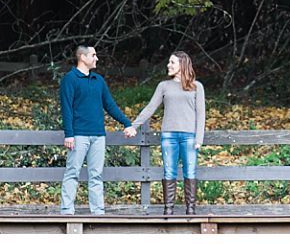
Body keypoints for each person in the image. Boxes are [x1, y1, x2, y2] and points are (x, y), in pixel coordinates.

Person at [124, 50, 205, 215]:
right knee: (169, 170)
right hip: (169, 136)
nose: (169, 65)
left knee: (190, 171)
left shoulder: (197, 86)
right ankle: (168, 209)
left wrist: (199, 138)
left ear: (182, 65)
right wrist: (134, 125)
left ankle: (191, 209)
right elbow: (151, 107)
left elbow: (201, 113)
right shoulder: (163, 86)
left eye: (172, 62)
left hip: (189, 136)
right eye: (169, 62)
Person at [59, 44, 132, 215]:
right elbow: (66, 108)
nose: (96, 58)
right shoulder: (70, 79)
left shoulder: (98, 80)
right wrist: (69, 134)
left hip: (98, 135)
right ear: (83, 57)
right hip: (78, 135)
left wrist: (126, 122)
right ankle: (67, 210)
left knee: (96, 175)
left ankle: (98, 212)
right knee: (72, 172)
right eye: (93, 55)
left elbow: (109, 105)